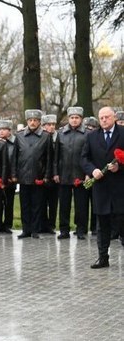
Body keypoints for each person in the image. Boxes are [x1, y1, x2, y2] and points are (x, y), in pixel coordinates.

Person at [81, 106, 124, 268]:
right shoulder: (92, 136)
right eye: (101, 118)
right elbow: (84, 158)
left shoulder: (123, 133)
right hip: (101, 187)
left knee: (121, 221)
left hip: (120, 186)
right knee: (102, 223)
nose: (104, 120)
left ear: (113, 117)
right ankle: (103, 257)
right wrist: (93, 170)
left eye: (107, 117)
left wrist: (119, 167)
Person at [15, 109, 52, 239]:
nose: (32, 122)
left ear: (39, 122)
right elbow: (15, 157)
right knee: (24, 205)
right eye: (30, 120)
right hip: (23, 176)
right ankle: (26, 229)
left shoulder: (46, 136)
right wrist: (15, 174)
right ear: (27, 121)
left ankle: (35, 230)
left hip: (39, 176)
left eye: (35, 120)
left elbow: (48, 158)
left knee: (37, 205)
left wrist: (47, 176)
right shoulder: (19, 136)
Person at [54, 107, 88, 239]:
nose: (74, 120)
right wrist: (56, 173)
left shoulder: (87, 134)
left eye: (77, 117)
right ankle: (64, 230)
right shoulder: (61, 134)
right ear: (68, 119)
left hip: (80, 175)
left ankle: (81, 230)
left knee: (81, 205)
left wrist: (87, 173)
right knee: (64, 204)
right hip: (64, 174)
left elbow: (89, 155)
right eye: (72, 117)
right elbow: (56, 156)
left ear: (81, 119)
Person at [0, 120, 17, 233]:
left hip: (10, 179)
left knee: (9, 203)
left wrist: (12, 176)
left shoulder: (15, 143)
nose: (1, 132)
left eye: (4, 129)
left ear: (9, 131)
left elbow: (15, 161)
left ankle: (8, 224)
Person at [41, 114, 59, 233]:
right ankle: (42, 224)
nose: (51, 127)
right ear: (43, 126)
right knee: (42, 202)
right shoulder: (41, 138)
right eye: (48, 125)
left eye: (53, 125)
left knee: (53, 202)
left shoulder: (59, 137)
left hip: (55, 175)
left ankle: (51, 225)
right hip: (42, 174)